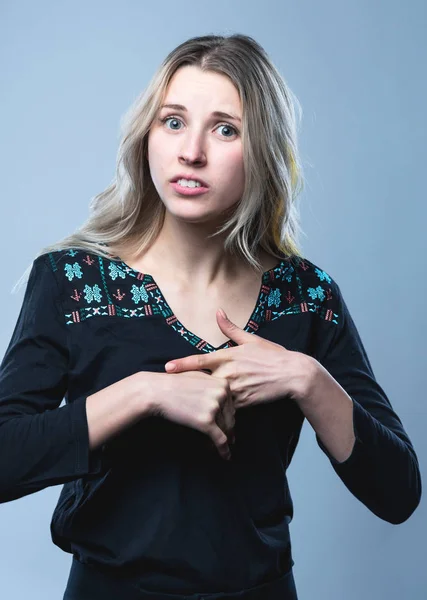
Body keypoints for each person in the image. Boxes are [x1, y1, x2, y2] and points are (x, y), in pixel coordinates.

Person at [0, 33, 421, 600]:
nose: (190, 151)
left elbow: (398, 494)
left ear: (263, 149)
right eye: (173, 122)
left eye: (225, 128)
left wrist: (306, 379)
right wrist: (143, 394)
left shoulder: (307, 296)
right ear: (147, 134)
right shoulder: (71, 282)